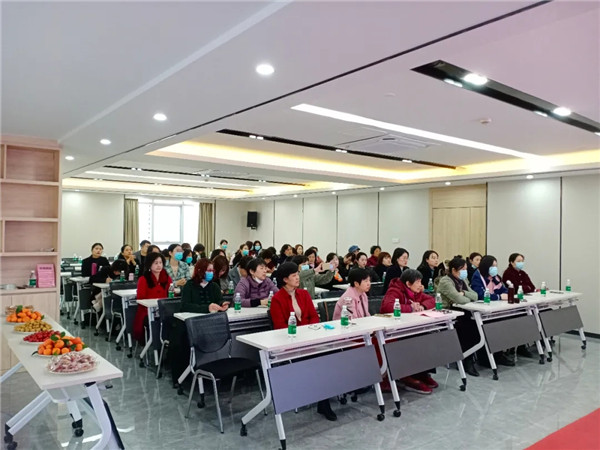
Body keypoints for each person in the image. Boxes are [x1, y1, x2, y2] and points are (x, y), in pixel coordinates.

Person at [269, 262, 335, 421]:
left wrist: (308, 333)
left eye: (297, 274)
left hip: (309, 340)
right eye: (294, 276)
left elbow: (314, 316)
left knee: (331, 355)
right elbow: (280, 327)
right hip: (291, 344)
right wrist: (301, 335)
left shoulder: (303, 294)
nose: (298, 278)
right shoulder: (277, 299)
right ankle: (324, 403)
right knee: (319, 361)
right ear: (285, 279)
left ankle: (325, 397)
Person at [380, 269, 438, 394]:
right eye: (418, 282)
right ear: (408, 283)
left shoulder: (415, 292)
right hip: (394, 330)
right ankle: (406, 376)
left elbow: (431, 300)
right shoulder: (394, 290)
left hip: (409, 327)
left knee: (426, 337)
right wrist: (410, 308)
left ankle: (421, 373)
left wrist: (422, 306)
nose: (420, 285)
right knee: (411, 341)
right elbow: (387, 306)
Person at [437, 256, 480, 376]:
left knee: (476, 324)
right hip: (447, 313)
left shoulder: (463, 280)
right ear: (454, 270)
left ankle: (469, 356)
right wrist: (465, 297)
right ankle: (466, 360)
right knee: (468, 326)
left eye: (466, 269)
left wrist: (464, 292)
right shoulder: (446, 281)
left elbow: (476, 295)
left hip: (462, 311)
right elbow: (459, 299)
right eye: (462, 269)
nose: (465, 272)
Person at [133, 253, 172, 342]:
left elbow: (171, 295)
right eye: (156, 263)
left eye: (160, 263)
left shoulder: (167, 278)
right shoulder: (143, 279)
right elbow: (140, 299)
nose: (159, 265)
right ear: (149, 264)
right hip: (147, 311)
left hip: (164, 310)